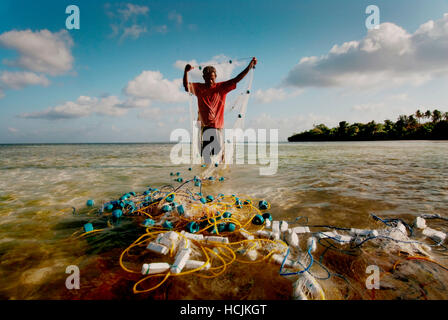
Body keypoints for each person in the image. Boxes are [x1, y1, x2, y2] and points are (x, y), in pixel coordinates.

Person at [183, 57, 257, 163]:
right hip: (203, 127)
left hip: (217, 127)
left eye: (212, 78)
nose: (210, 81)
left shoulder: (221, 87)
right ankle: (208, 178)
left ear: (216, 77)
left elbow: (236, 79)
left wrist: (250, 66)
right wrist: (185, 72)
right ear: (204, 77)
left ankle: (223, 173)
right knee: (205, 156)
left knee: (218, 152)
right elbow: (186, 86)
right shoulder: (199, 88)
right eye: (208, 78)